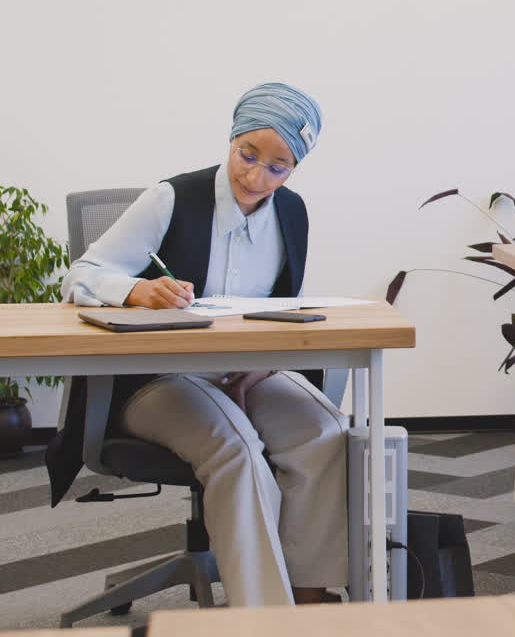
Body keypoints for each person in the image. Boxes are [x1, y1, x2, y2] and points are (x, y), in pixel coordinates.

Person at [52, 83, 347, 606]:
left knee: (324, 433)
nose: (256, 177)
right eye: (247, 155)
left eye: (277, 167)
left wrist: (264, 361)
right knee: (234, 448)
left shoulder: (292, 214)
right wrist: (137, 288)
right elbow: (81, 276)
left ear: (295, 169)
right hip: (157, 382)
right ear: (231, 140)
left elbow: (278, 310)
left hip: (247, 374)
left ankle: (309, 593)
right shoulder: (172, 199)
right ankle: (263, 617)